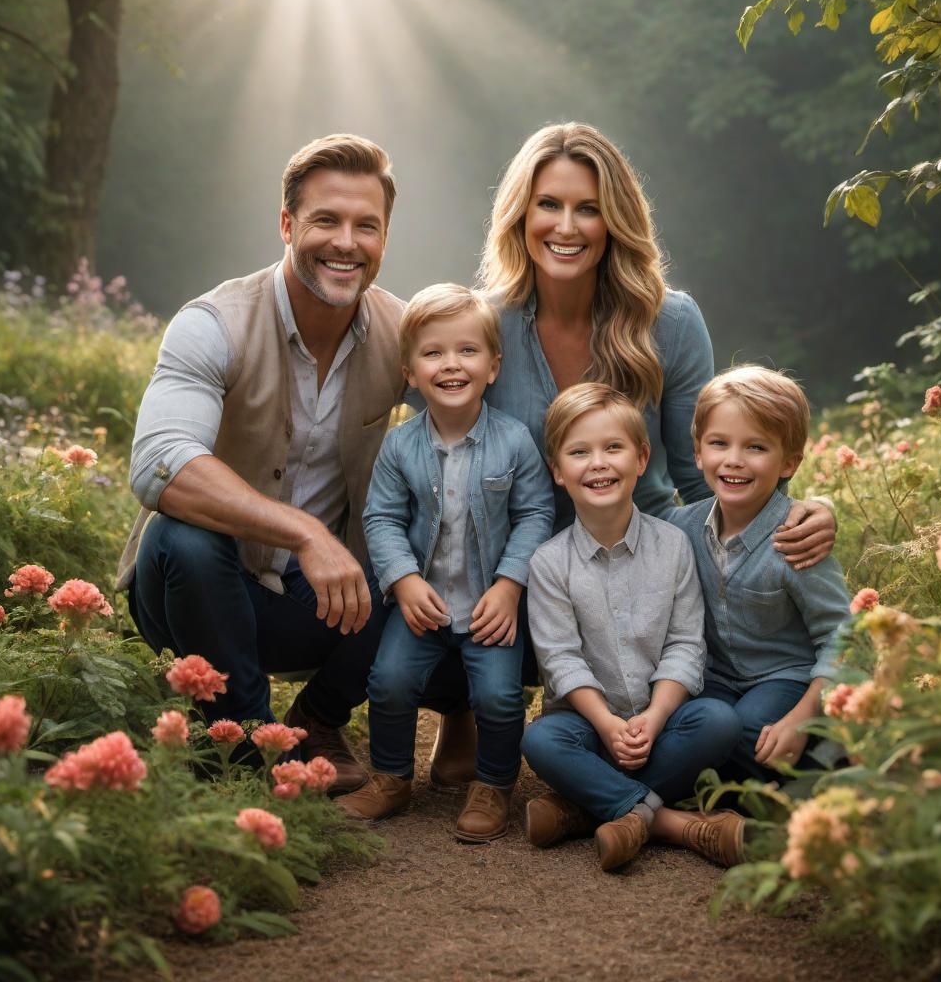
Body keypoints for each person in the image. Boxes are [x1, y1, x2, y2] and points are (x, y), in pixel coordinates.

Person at [425, 121, 840, 790]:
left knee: (747, 745)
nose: (568, 225)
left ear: (616, 220)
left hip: (639, 565)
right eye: (549, 204)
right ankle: (465, 710)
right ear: (520, 214)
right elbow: (443, 461)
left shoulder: (669, 321)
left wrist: (795, 512)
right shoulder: (481, 324)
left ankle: (618, 790)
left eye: (589, 208)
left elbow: (698, 472)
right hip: (513, 568)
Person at [116, 134, 462, 791]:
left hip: (319, 607)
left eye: (367, 226)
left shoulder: (403, 334)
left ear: (385, 237)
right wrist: (306, 533)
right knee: (183, 536)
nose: (346, 243)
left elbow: (477, 406)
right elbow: (160, 462)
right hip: (193, 594)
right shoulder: (214, 322)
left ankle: (317, 722)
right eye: (326, 220)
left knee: (422, 545)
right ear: (286, 224)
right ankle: (245, 749)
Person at [338, 285, 553, 841]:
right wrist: (404, 582)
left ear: (493, 365)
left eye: (467, 351)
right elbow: (381, 519)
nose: (451, 364)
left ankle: (493, 784)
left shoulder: (514, 441)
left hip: (490, 604)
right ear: (409, 371)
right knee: (387, 681)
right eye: (433, 353)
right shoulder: (400, 445)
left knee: (500, 696)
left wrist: (510, 586)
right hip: (423, 603)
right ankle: (391, 777)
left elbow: (535, 514)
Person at [520, 383, 747, 872]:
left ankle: (585, 809)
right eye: (579, 452)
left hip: (659, 726)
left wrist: (657, 716)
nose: (598, 463)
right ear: (558, 471)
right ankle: (675, 824)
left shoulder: (673, 546)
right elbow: (560, 660)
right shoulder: (548, 563)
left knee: (718, 722)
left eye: (613, 448)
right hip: (585, 726)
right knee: (540, 741)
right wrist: (605, 722)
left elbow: (687, 644)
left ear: (641, 458)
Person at [674, 365, 851, 780]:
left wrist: (804, 715)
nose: (734, 460)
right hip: (715, 679)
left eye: (756, 447)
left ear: (789, 462)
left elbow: (844, 635)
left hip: (785, 679)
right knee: (686, 724)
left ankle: (825, 760)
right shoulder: (681, 527)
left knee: (751, 734)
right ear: (698, 451)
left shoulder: (798, 539)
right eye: (719, 443)